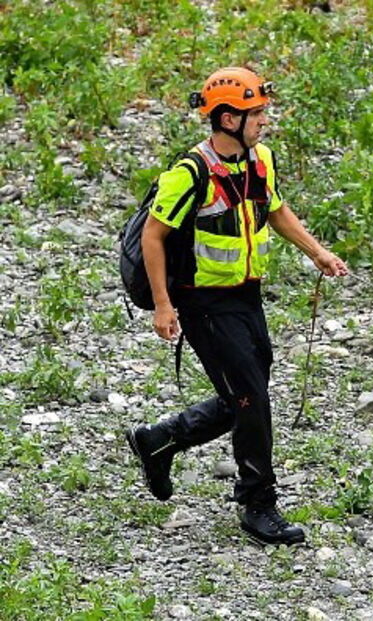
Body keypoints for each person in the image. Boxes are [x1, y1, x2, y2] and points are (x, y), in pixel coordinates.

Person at [124, 67, 348, 545]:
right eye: (257, 114)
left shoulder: (258, 160)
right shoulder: (191, 173)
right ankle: (257, 504)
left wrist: (318, 253)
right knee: (251, 398)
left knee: (246, 392)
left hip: (245, 293)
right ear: (227, 118)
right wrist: (164, 306)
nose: (264, 121)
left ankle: (160, 439)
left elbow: (276, 210)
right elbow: (153, 236)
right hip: (202, 302)